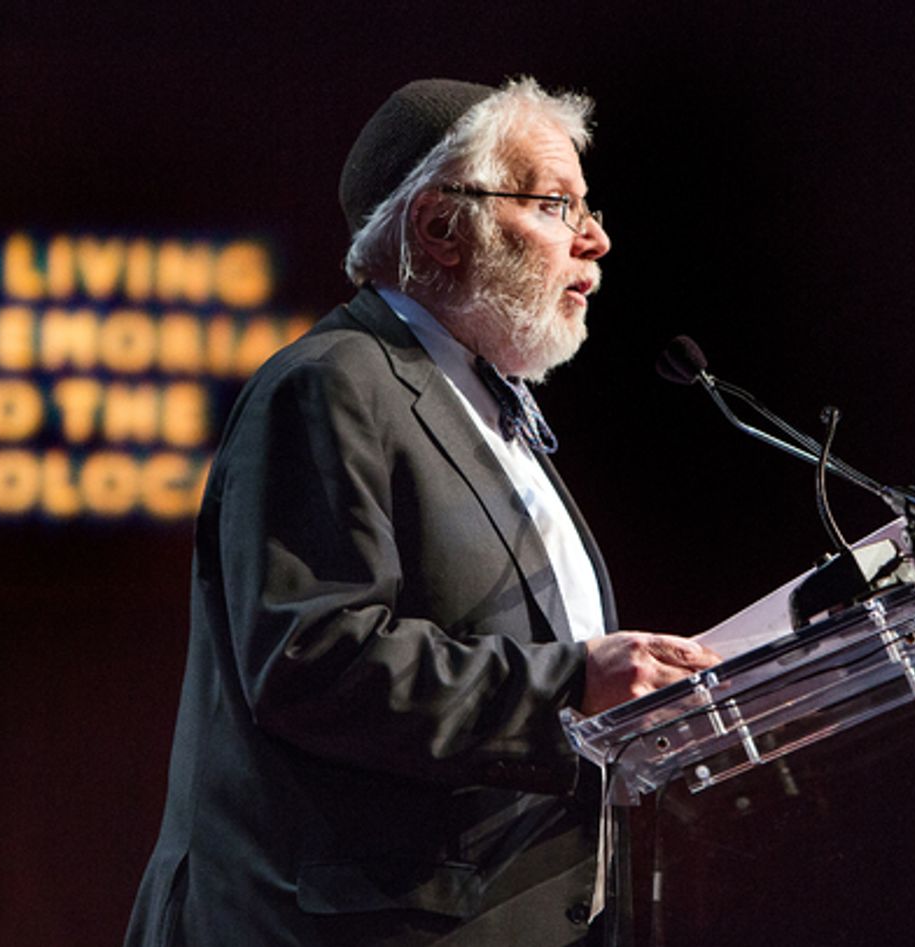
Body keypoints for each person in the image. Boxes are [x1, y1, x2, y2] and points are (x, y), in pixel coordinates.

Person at [124, 77, 718, 947]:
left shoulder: (488, 406)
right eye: (557, 204)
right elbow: (313, 659)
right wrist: (572, 683)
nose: (596, 238)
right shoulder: (334, 383)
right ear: (442, 228)